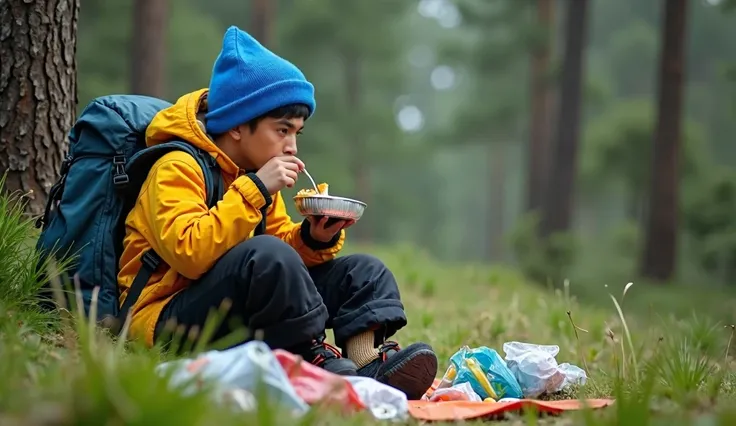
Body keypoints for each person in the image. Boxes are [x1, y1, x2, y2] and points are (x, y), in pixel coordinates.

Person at [117, 26, 438, 399]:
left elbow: (282, 254)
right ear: (238, 124)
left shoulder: (254, 174)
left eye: (297, 132)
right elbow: (189, 254)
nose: (292, 146)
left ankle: (367, 364)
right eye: (282, 130)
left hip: (234, 306)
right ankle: (308, 360)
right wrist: (253, 191)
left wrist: (315, 235)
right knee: (267, 257)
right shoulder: (178, 166)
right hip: (167, 319)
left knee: (363, 271)